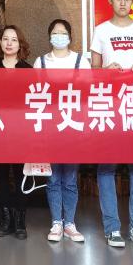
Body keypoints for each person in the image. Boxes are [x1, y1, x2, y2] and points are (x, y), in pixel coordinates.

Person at [89, 0, 133, 249]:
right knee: (107, 166)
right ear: (110, 1)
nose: (123, 3)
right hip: (109, 105)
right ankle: (112, 227)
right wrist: (106, 70)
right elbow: (93, 70)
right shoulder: (101, 30)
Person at [35, 18, 89, 243]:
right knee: (53, 177)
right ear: (49, 37)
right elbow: (35, 93)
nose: (59, 36)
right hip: (49, 127)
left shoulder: (80, 61)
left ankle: (70, 223)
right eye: (55, 33)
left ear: (70, 36)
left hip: (73, 127)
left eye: (63, 32)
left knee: (70, 178)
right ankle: (56, 222)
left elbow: (87, 93)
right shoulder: (40, 62)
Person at [0, 24, 32, 240]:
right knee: (1, 174)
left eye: (14, 40)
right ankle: (5, 218)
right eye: (5, 39)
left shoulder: (28, 70)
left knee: (21, 175)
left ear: (20, 44)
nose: (9, 43)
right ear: (0, 42)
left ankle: (20, 218)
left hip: (22, 131)